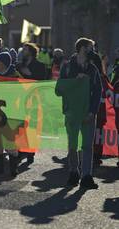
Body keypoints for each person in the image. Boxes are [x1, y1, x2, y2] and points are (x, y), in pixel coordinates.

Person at [56, 37, 102, 189]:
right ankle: (73, 173)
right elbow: (59, 89)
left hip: (88, 113)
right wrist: (76, 80)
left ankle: (86, 176)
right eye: (90, 48)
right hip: (72, 113)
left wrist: (92, 111)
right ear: (82, 48)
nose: (92, 51)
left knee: (88, 146)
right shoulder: (67, 67)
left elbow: (97, 91)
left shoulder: (93, 68)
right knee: (72, 145)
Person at [0, 52, 22, 177]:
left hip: (10, 113)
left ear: (5, 63)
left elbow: (22, 92)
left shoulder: (15, 75)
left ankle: (13, 168)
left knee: (10, 141)